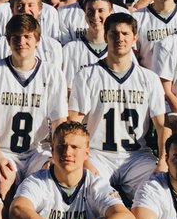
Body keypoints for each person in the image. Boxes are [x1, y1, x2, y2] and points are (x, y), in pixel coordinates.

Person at [0, 14, 68, 200]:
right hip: (0, 148)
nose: (21, 42)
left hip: (36, 151)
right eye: (15, 37)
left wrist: (56, 155)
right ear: (8, 40)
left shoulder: (52, 73)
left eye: (27, 37)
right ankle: (2, 217)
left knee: (49, 175)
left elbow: (59, 121)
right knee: (3, 178)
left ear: (37, 40)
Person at [68, 13, 168, 184]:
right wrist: (83, 159)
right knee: (93, 190)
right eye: (114, 33)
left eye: (125, 33)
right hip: (97, 154)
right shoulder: (86, 75)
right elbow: (73, 123)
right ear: (105, 37)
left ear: (134, 38)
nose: (119, 38)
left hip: (137, 156)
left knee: (156, 187)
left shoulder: (149, 78)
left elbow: (162, 126)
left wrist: (163, 161)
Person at [62, 0, 113, 88]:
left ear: (110, 14)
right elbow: (68, 88)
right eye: (90, 11)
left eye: (101, 10)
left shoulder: (119, 48)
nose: (95, 16)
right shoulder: (70, 49)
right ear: (85, 14)